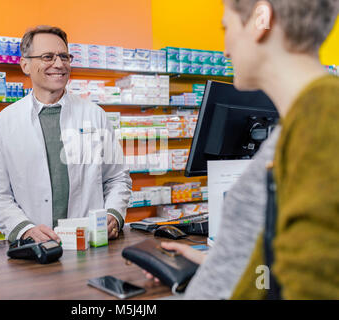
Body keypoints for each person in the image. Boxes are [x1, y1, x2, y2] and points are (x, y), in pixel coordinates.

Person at [144, 0, 339, 300]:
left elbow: (312, 287)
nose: (225, 49)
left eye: (226, 27)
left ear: (261, 19)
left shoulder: (322, 121)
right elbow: (279, 262)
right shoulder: (301, 122)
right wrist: (216, 263)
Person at [0, 25, 132, 245]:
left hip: (90, 243)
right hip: (35, 250)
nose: (59, 64)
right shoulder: (4, 123)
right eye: (47, 57)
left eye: (64, 56)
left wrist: (113, 214)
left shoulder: (94, 115)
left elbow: (117, 178)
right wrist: (24, 229)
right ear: (25, 65)